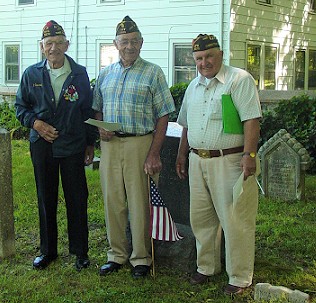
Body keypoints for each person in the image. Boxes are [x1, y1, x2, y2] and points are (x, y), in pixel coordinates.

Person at [176, 34, 262, 295]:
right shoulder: (193, 86)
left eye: (209, 56)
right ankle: (206, 267)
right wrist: (182, 154)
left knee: (235, 219)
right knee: (201, 218)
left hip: (230, 160)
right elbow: (186, 125)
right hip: (196, 160)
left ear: (221, 54)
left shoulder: (239, 80)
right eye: (199, 58)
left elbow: (251, 120)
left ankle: (239, 276)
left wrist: (250, 156)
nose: (205, 62)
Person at [92, 16, 175, 278]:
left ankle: (141, 258)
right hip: (110, 146)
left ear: (142, 43)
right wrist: (99, 128)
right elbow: (97, 108)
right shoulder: (105, 74)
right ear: (116, 44)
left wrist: (154, 153)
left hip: (141, 143)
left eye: (134, 41)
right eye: (124, 41)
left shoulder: (153, 72)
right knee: (112, 201)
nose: (129, 46)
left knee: (140, 203)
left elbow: (164, 114)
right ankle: (116, 254)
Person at [15, 20, 97, 271]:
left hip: (72, 145)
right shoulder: (31, 74)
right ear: (42, 47)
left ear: (67, 45)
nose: (54, 48)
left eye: (59, 43)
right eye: (49, 43)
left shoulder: (79, 73)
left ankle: (80, 252)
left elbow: (87, 110)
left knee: (76, 198)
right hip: (43, 146)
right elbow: (21, 107)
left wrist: (89, 143)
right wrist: (36, 124)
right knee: (45, 197)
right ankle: (47, 251)